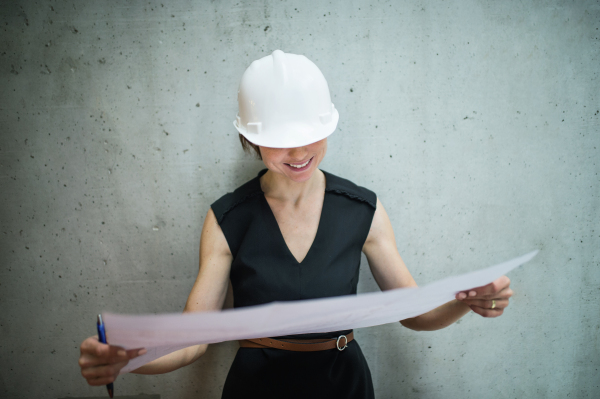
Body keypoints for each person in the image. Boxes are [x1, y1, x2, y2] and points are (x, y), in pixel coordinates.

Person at [79, 50, 513, 398]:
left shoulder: (364, 210)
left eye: (310, 133)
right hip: (257, 388)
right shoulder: (227, 218)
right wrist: (128, 357)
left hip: (344, 385)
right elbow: (194, 339)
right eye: (279, 141)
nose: (299, 151)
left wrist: (466, 301)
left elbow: (415, 314)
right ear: (250, 138)